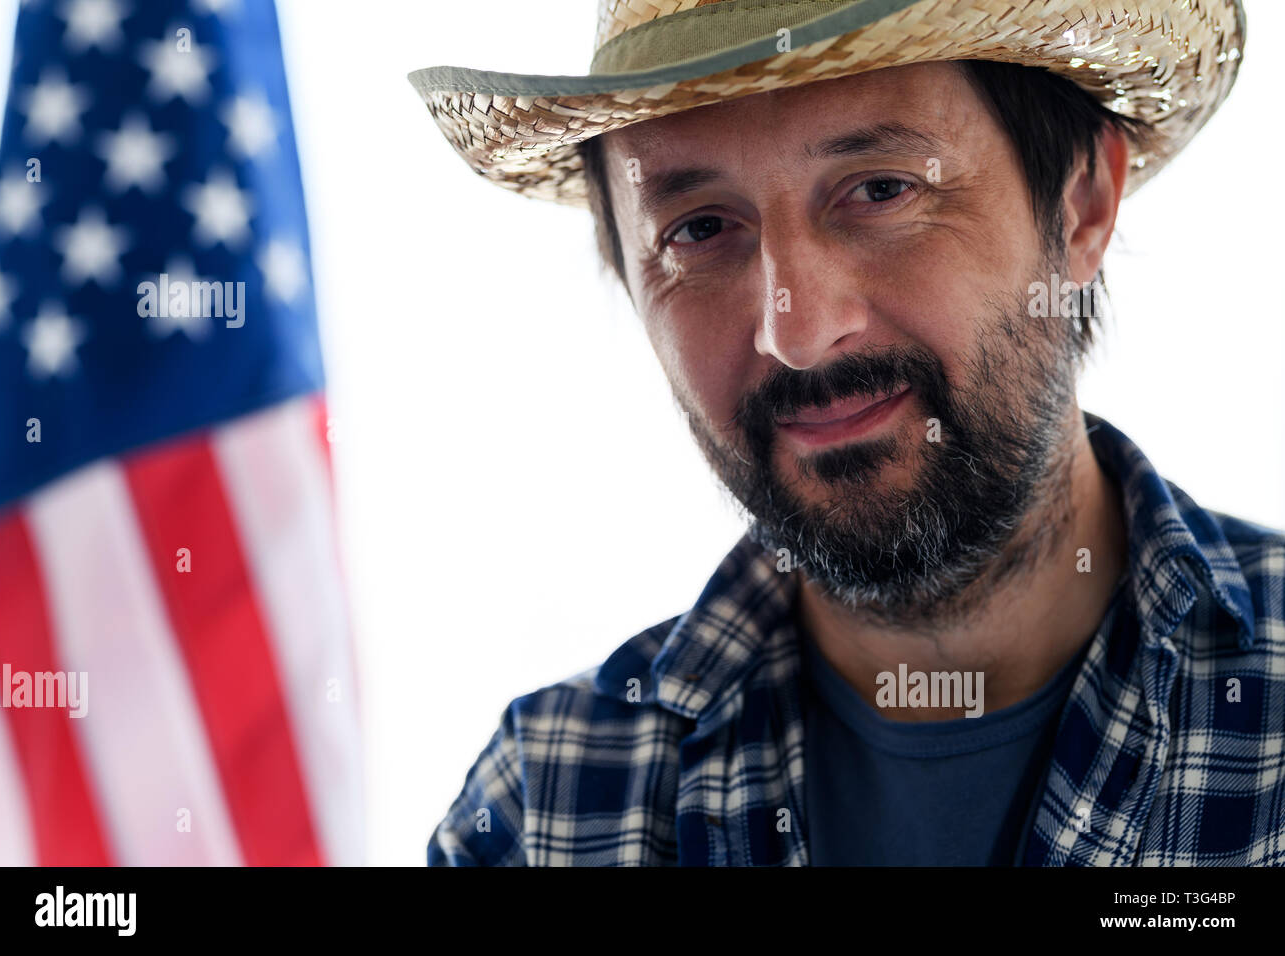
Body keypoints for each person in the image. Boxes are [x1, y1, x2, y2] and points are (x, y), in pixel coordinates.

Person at [413, 0, 1281, 865]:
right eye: (701, 229)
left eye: (880, 190)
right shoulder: (544, 813)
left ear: (1083, 203)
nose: (796, 331)